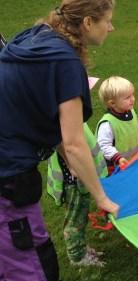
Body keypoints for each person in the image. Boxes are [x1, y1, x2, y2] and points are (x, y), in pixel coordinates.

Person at [0, 0, 120, 281]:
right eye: (106, 21)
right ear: (87, 23)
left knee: (2, 248)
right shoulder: (66, 64)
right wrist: (100, 196)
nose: (111, 28)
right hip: (8, 173)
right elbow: (72, 143)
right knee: (31, 253)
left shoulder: (32, 38)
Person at [45, 77, 107, 267]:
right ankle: (77, 256)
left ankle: (80, 246)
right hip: (73, 183)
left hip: (80, 181)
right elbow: (68, 149)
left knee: (81, 215)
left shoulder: (72, 119)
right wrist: (74, 167)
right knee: (75, 218)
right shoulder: (63, 125)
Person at [96, 76, 138, 171]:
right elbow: (104, 146)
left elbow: (131, 127)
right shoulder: (107, 124)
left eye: (132, 95)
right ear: (112, 103)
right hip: (117, 167)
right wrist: (118, 158)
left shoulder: (129, 111)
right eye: (127, 97)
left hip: (133, 161)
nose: (132, 99)